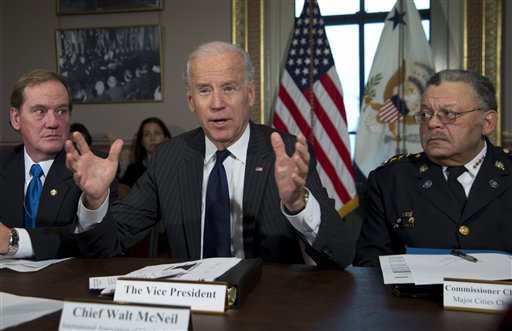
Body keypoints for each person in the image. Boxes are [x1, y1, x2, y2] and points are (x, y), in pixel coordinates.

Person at [65, 41, 355, 268]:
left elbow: (341, 254)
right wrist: (94, 201)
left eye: (229, 88)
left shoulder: (285, 153)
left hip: (268, 309)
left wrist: (298, 204)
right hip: (194, 308)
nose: (217, 103)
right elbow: (103, 247)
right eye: (204, 91)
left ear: (250, 95)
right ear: (191, 100)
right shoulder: (168, 157)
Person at [354, 69, 512, 267]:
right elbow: (370, 264)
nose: (432, 123)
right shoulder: (392, 180)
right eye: (426, 113)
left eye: (449, 114)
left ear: (487, 123)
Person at [0, 69, 119, 260]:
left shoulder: (93, 168)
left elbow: (96, 246)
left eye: (61, 111)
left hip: (63, 284)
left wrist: (13, 241)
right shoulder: (4, 164)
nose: (53, 122)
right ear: (16, 118)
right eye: (40, 111)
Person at [120, 117, 171, 190]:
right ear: (142, 142)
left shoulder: (175, 167)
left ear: (166, 138)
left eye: (157, 133)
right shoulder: (132, 170)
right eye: (147, 134)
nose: (152, 138)